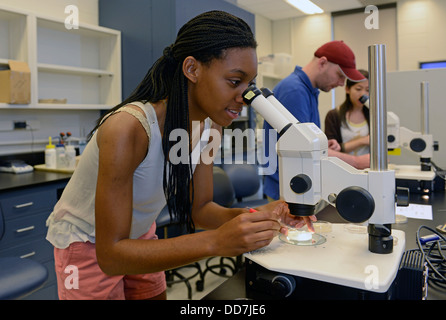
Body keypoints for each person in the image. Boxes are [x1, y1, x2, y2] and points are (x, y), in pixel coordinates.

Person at [45, 10, 314, 300]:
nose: (245, 96)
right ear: (192, 69)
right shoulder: (128, 129)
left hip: (138, 236)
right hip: (88, 243)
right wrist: (217, 243)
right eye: (234, 81)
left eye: (248, 85)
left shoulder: (209, 129)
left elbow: (201, 210)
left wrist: (263, 215)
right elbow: (111, 256)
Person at [263, 40, 368, 202]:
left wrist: (323, 144)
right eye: (340, 76)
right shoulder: (295, 91)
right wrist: (357, 162)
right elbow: (303, 148)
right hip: (288, 190)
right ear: (323, 63)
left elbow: (306, 140)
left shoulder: (309, 90)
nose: (341, 84)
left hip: (297, 184)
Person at [325, 69, 370, 166]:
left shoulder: (373, 115)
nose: (363, 94)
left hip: (368, 167)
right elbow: (330, 150)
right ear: (347, 89)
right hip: (342, 168)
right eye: (358, 89)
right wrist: (363, 141)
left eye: (367, 90)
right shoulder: (334, 115)